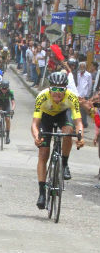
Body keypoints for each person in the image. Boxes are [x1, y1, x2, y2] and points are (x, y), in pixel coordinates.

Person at [31, 72, 84, 209]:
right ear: (49, 89)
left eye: (61, 89)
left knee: (68, 133)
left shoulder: (72, 97)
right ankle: (42, 192)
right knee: (43, 153)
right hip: (46, 118)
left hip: (63, 116)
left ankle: (64, 164)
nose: (57, 93)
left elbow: (78, 122)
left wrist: (80, 137)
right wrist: (37, 137)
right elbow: (35, 124)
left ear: (66, 89)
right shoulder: (42, 97)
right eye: (54, 89)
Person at [0, 80, 15, 144]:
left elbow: (13, 102)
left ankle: (7, 136)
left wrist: (12, 110)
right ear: (0, 88)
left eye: (5, 89)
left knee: (7, 119)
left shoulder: (10, 92)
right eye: (3, 88)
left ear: (8, 88)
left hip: (6, 105)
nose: (4, 90)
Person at [77, 62, 92, 128]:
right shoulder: (78, 74)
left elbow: (90, 85)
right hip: (78, 94)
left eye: (83, 67)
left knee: (84, 110)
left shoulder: (88, 75)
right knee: (78, 109)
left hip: (85, 95)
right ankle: (79, 122)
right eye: (81, 66)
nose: (82, 68)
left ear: (85, 67)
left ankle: (85, 123)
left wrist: (87, 94)